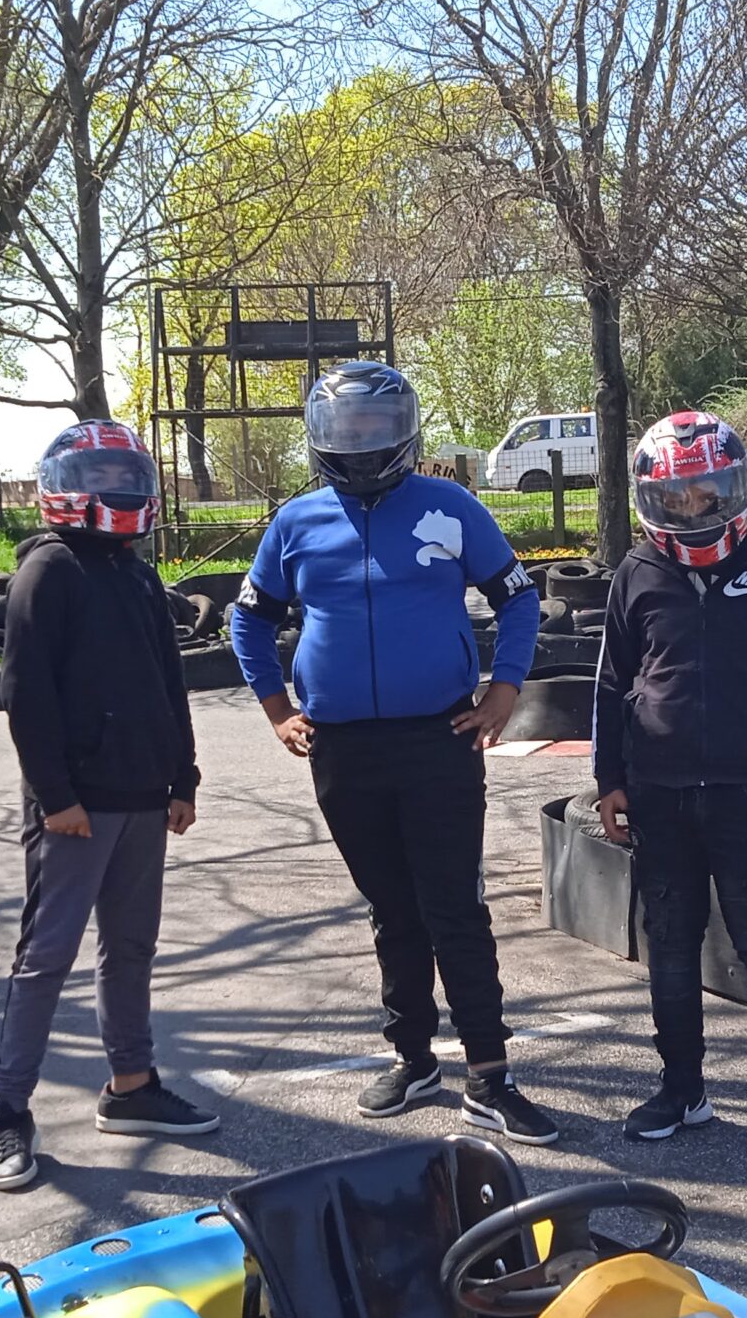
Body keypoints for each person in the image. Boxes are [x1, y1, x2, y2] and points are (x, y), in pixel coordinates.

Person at [229, 359, 558, 1144]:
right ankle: (413, 1059)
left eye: (375, 425)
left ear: (404, 429)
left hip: (438, 740)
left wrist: (505, 690)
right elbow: (249, 619)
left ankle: (490, 1074)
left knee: (455, 909)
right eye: (345, 427)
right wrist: (277, 711)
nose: (360, 440)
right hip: (342, 750)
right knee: (392, 911)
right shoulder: (296, 522)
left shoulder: (451, 507)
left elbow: (518, 600)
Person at [591, 410, 747, 1167]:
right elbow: (610, 684)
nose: (693, 509)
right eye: (677, 498)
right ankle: (682, 1089)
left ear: (735, 489)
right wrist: (610, 780)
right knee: (670, 951)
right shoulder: (637, 572)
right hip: (659, 795)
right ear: (653, 500)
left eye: (707, 494)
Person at [0, 419, 218, 1190]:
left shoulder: (138, 576)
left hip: (144, 798)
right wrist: (56, 797)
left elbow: (167, 683)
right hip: (75, 807)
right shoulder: (46, 571)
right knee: (46, 957)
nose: (116, 490)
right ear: (65, 487)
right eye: (100, 478)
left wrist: (182, 778)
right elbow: (25, 695)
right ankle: (9, 1109)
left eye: (126, 477)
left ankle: (131, 1086)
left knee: (131, 949)